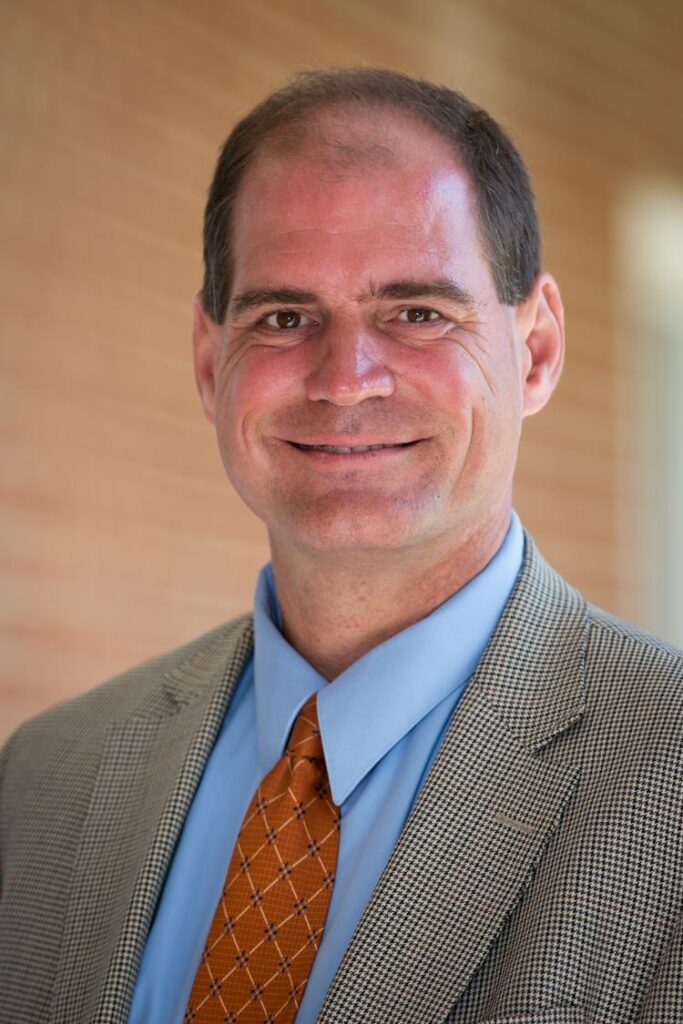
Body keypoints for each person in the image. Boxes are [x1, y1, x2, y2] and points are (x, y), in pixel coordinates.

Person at [0, 67, 681, 1024]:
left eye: (417, 312)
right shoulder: (46, 778)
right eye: (284, 317)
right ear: (210, 362)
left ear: (533, 351)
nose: (346, 379)